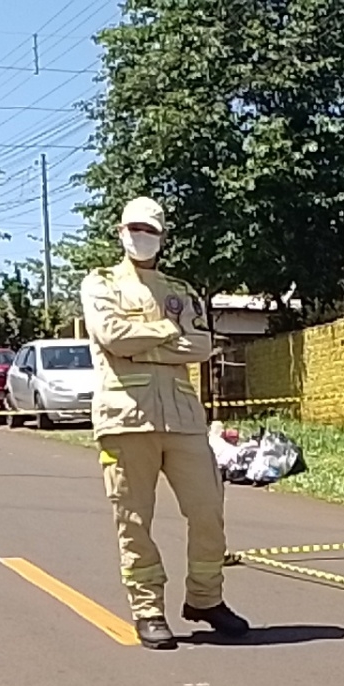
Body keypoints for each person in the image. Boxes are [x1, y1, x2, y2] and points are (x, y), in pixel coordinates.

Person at [81, 195, 249, 650]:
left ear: (162, 236)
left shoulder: (180, 289)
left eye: (150, 230)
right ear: (120, 232)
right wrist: (168, 333)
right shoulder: (100, 283)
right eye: (134, 228)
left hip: (183, 418)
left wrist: (142, 345)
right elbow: (112, 336)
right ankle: (148, 609)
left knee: (208, 510)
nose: (141, 236)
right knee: (134, 518)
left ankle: (205, 598)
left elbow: (201, 346)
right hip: (125, 416)